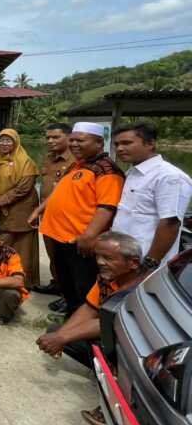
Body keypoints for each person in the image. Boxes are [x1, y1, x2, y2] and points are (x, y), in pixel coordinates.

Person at [36, 231, 145, 425]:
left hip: (133, 350)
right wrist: (61, 336)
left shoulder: (141, 288)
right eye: (98, 256)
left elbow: (110, 322)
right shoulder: (108, 277)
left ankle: (115, 408)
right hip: (109, 334)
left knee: (112, 349)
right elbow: (90, 308)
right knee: (57, 331)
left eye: (108, 258)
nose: (100, 262)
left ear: (134, 263)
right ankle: (104, 373)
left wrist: (63, 337)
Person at [32, 121, 125, 316]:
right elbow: (59, 192)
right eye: (72, 140)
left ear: (99, 142)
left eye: (80, 140)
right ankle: (70, 317)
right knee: (67, 283)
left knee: (84, 287)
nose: (74, 144)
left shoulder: (107, 170)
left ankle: (81, 330)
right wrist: (40, 210)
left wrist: (89, 235)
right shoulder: (78, 165)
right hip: (60, 236)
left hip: (79, 240)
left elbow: (107, 207)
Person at [113, 121, 192, 267]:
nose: (120, 148)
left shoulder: (169, 176)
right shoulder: (132, 172)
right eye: (116, 144)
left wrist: (150, 262)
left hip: (145, 261)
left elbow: (170, 223)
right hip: (123, 256)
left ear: (150, 144)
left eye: (127, 143)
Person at [0, 128, 41, 287]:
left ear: (16, 142)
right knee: (1, 239)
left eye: (8, 140)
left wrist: (1, 201)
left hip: (20, 208)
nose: (4, 144)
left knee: (21, 244)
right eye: (2, 140)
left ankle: (22, 280)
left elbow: (24, 188)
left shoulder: (25, 161)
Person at [33, 122, 75, 296]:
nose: (50, 141)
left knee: (67, 257)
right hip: (48, 214)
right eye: (48, 137)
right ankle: (57, 283)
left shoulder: (76, 161)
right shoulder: (49, 158)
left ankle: (68, 293)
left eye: (56, 137)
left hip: (67, 217)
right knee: (53, 254)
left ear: (69, 137)